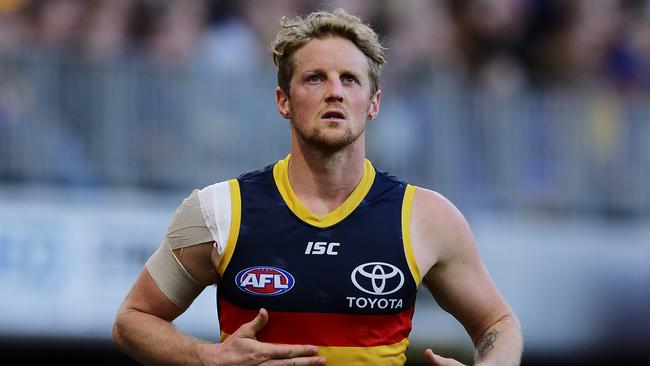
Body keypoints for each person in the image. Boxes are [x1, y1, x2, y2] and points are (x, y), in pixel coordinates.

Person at [112, 8, 523, 366]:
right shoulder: (219, 209)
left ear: (374, 103)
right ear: (283, 101)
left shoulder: (426, 217)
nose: (334, 92)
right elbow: (133, 320)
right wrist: (208, 357)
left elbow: (499, 324)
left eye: (349, 79)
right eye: (314, 78)